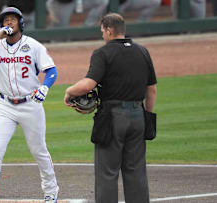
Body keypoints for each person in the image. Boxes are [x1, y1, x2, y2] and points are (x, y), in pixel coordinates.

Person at [64, 13, 157, 203]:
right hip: (138, 116)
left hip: (113, 118)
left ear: (109, 30)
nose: (102, 35)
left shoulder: (103, 53)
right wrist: (147, 116)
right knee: (136, 171)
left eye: (102, 31)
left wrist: (69, 91)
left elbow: (88, 84)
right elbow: (152, 90)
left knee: (107, 173)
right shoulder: (143, 51)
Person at [0, 7, 59, 203]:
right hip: (5, 106)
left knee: (39, 150)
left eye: (13, 19)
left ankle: (51, 192)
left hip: (30, 104)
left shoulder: (33, 46)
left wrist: (45, 87)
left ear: (21, 23)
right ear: (1, 25)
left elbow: (51, 71)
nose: (9, 22)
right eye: (5, 20)